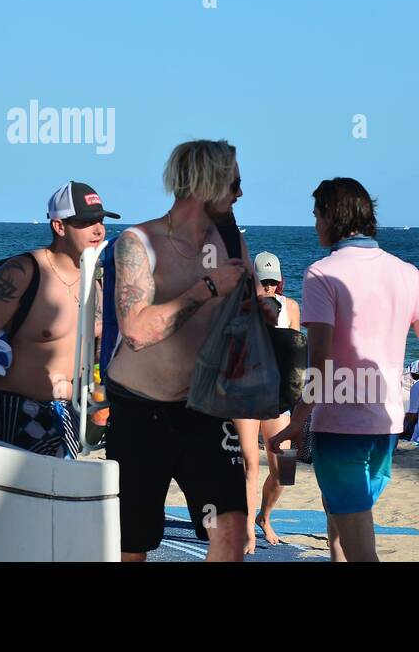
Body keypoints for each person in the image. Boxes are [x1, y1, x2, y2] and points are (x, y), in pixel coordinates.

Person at [271, 178, 419, 562]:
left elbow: (320, 364)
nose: (314, 225)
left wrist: (294, 421)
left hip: (339, 425)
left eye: (317, 215)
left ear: (332, 216)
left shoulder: (322, 274)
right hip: (386, 426)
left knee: (360, 549)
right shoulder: (406, 272)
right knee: (347, 519)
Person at [105, 139, 275, 562]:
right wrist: (208, 287)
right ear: (207, 183)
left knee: (231, 526)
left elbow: (246, 306)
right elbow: (137, 332)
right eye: (233, 182)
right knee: (133, 543)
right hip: (139, 413)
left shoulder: (233, 245)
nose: (240, 193)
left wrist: (261, 311)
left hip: (204, 409)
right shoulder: (137, 242)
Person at [0, 181, 118, 458]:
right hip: (15, 412)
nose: (98, 229)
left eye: (101, 220)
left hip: (68, 416)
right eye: (86, 222)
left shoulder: (94, 279)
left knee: (59, 497)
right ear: (59, 226)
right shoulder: (23, 273)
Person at [235, 251, 302, 551]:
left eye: (273, 282)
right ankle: (248, 528)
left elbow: (295, 355)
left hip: (277, 397)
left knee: (284, 471)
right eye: (264, 282)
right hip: (247, 395)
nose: (269, 288)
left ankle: (265, 517)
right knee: (251, 463)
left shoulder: (291, 307)